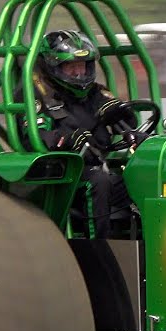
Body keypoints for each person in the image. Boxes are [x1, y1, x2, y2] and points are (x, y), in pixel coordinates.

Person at [28, 29, 142, 238]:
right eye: (72, 67)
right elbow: (37, 136)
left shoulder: (95, 93)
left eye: (82, 66)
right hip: (62, 173)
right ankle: (99, 250)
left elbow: (127, 121)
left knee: (144, 176)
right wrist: (69, 140)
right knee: (98, 181)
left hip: (99, 165)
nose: (79, 73)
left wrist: (120, 114)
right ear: (54, 66)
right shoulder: (39, 97)